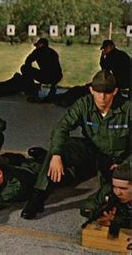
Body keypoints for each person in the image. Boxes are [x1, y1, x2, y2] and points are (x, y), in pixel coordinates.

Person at [21, 70, 130, 219]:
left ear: (115, 91)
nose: (102, 97)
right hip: (92, 152)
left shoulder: (127, 108)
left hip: (118, 159)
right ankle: (37, 198)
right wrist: (56, 155)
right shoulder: (84, 104)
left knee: (111, 194)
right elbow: (61, 128)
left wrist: (126, 164)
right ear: (91, 90)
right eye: (98, 91)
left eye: (107, 92)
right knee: (58, 150)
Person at [80, 162, 131, 231]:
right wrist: (98, 215)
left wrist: (118, 221)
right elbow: (89, 205)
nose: (117, 192)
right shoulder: (109, 190)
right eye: (114, 186)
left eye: (123, 188)